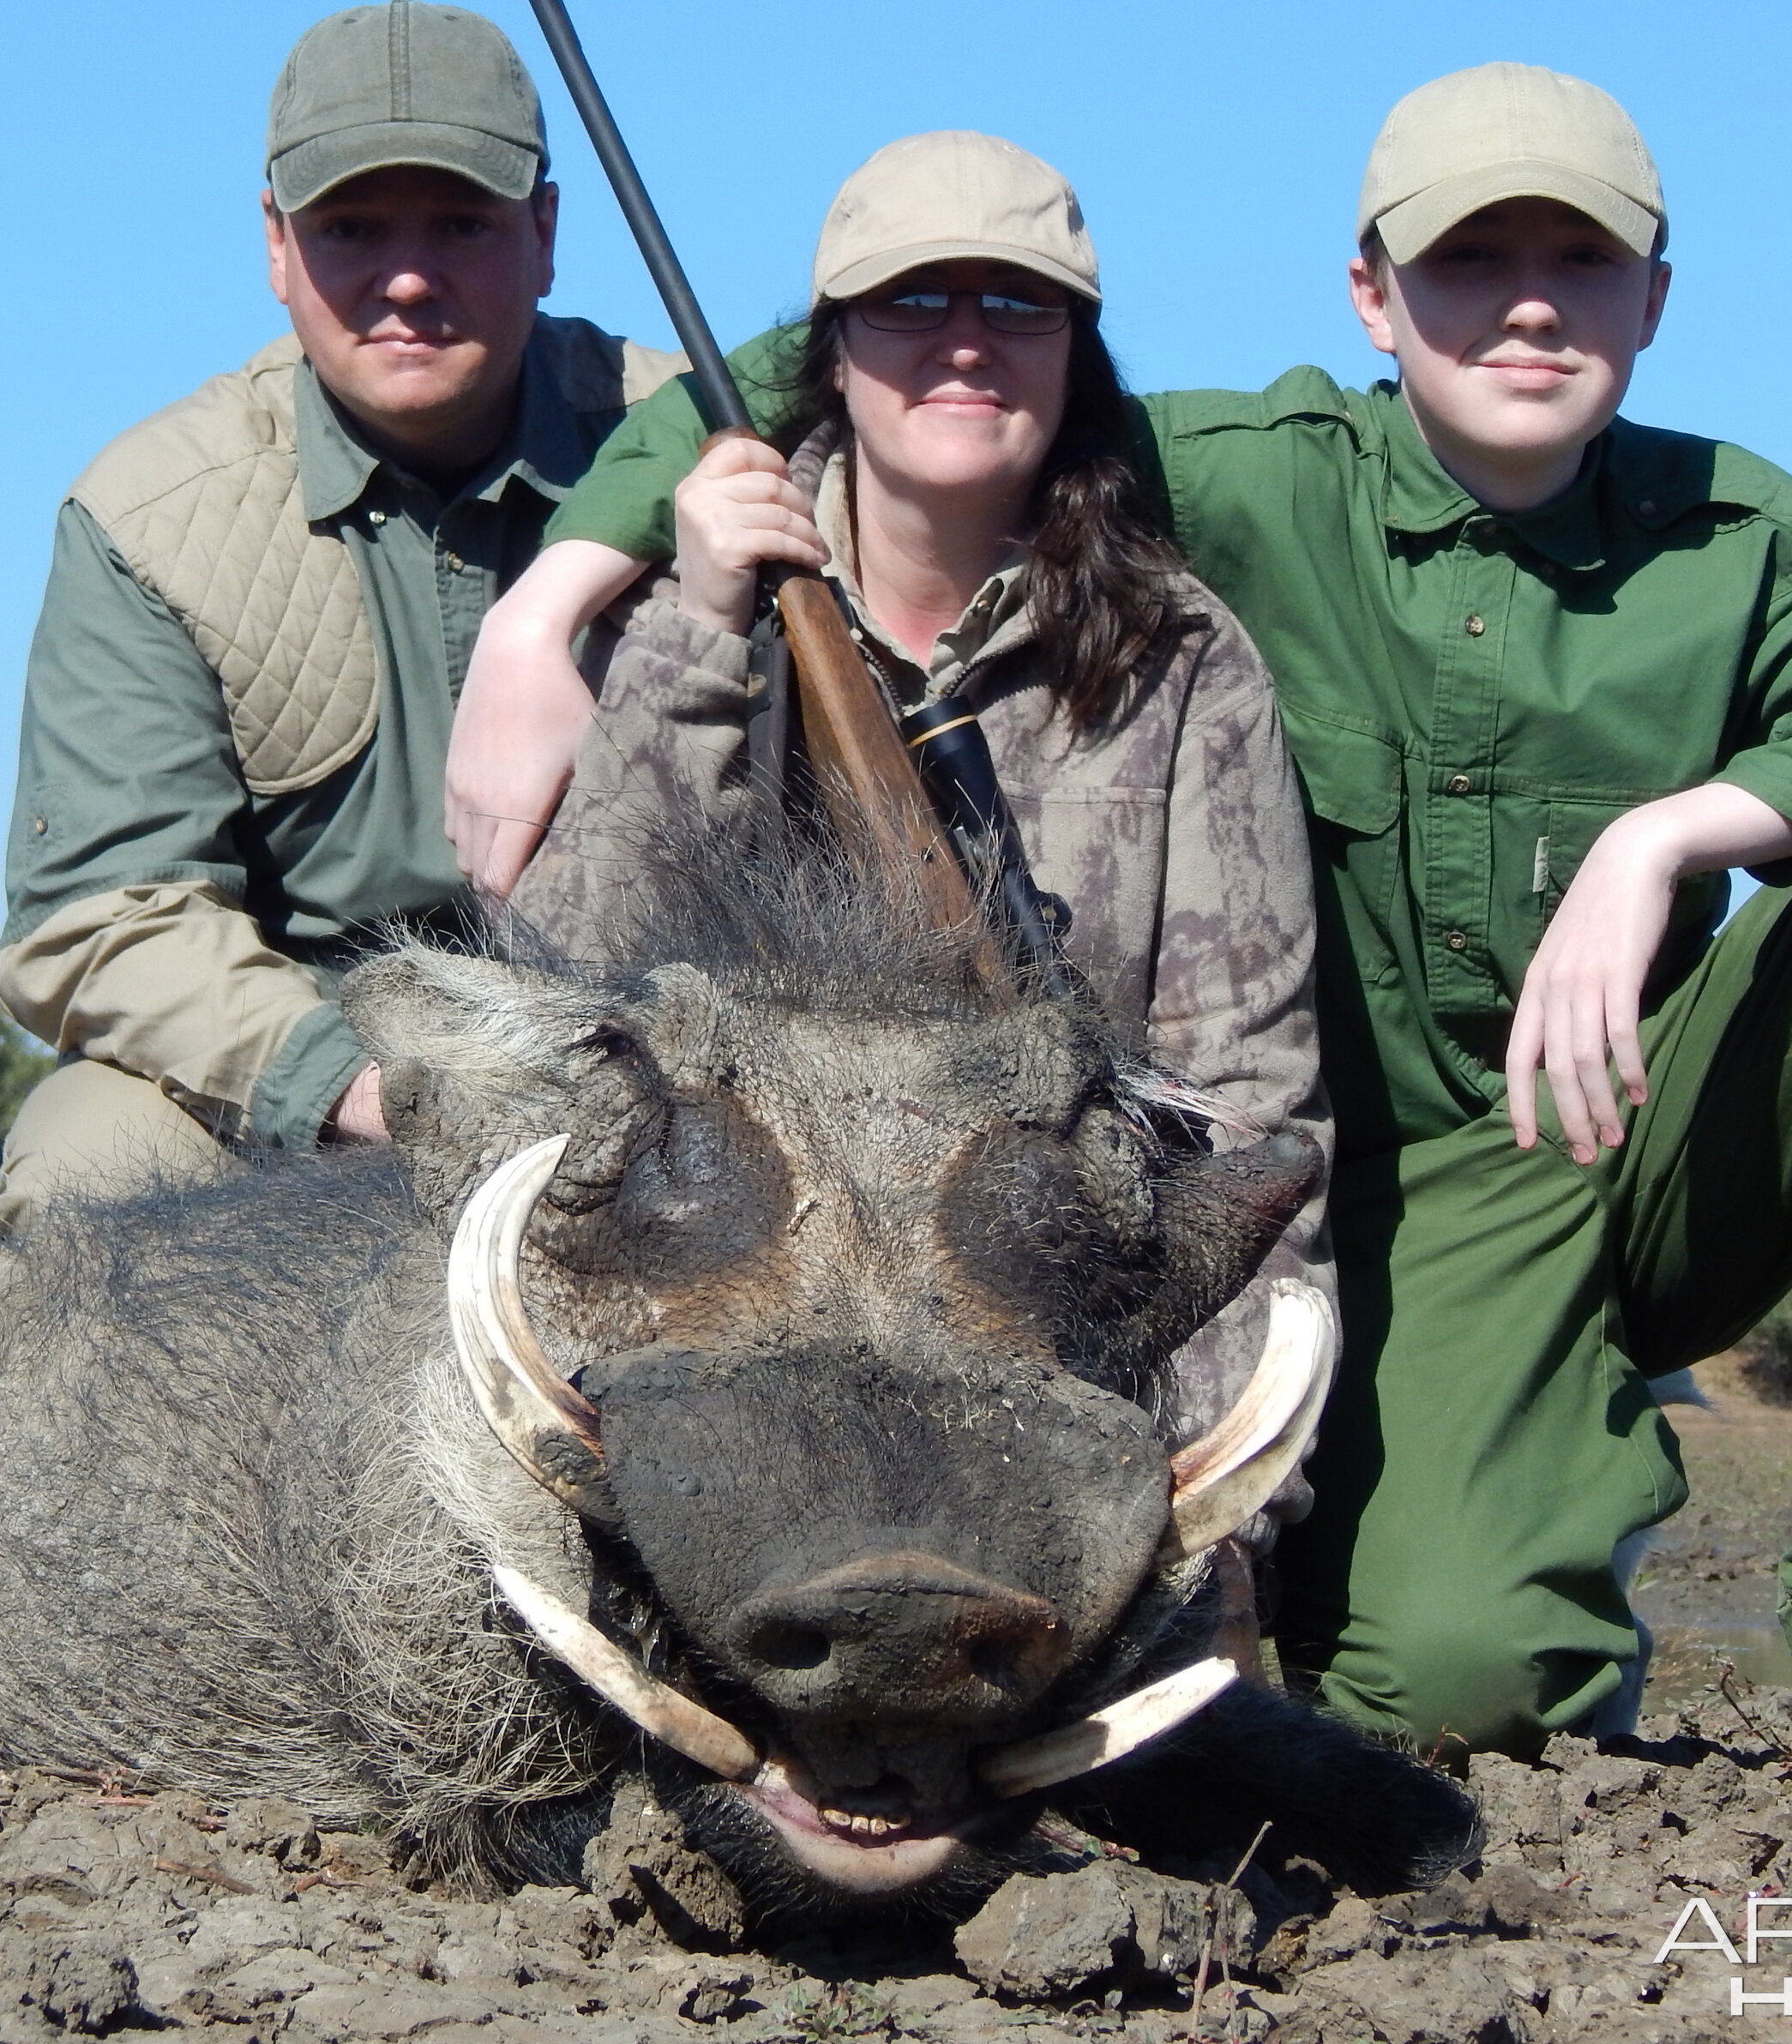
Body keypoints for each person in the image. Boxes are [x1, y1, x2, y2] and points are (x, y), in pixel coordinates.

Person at [457, 67, 1792, 1810]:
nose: (1524, 305)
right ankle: (1464, 1533)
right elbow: (853, 377)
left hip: (1642, 1141)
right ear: (1374, 291)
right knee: (1465, 1681)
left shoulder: (1729, 538)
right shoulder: (1211, 465)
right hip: (1411, 1205)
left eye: (1578, 263)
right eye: (1466, 260)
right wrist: (585, 588)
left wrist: (1670, 836)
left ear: (1654, 294)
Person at [475, 129, 1332, 1422]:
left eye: (1021, 304)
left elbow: (1251, 1109)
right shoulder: (693, 612)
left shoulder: (1187, 661)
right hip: (729, 1332)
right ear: (834, 352)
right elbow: (563, 988)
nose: (967, 342)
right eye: (912, 301)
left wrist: (1218, 1506)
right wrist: (700, 634)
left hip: (1064, 1353)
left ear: (1075, 351)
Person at [0, 0, 678, 1233]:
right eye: (352, 227)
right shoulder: (148, 513)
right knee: (84, 1173)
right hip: (311, 1049)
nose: (407, 277)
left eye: (461, 222)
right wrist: (365, 1092)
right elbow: (104, 916)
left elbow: (871, 369)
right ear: (276, 245)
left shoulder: (693, 438)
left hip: (658, 1041)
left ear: (547, 232)